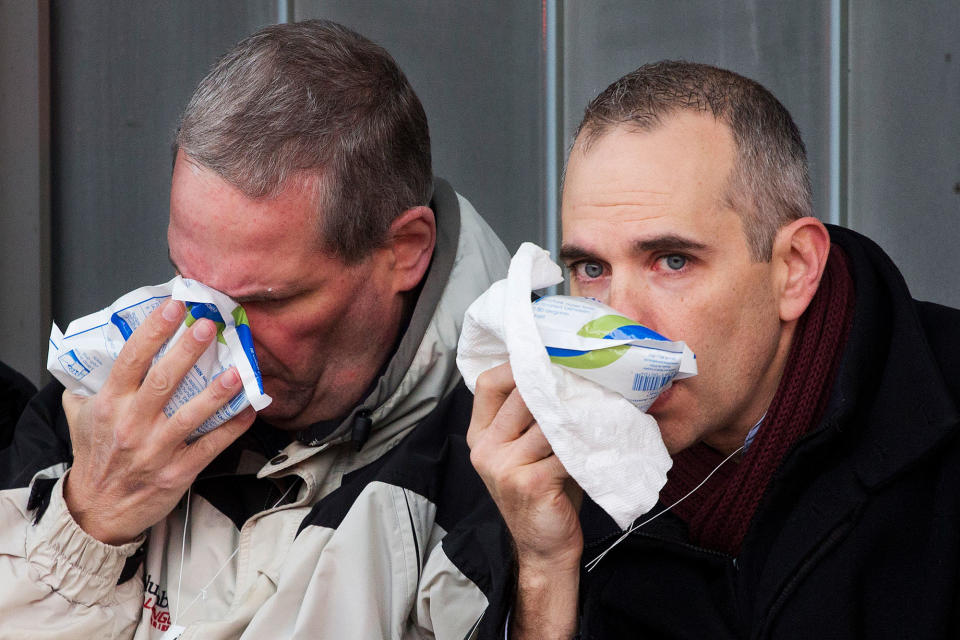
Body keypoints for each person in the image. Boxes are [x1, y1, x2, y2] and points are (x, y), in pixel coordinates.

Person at [0, 19, 510, 639]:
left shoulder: (503, 464)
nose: (206, 338)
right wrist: (89, 520)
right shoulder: (103, 408)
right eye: (187, 279)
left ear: (405, 250)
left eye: (264, 301)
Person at [466, 61, 960, 638]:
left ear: (795, 270)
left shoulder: (936, 436)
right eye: (591, 269)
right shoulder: (549, 464)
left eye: (672, 261)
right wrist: (544, 571)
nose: (617, 319)